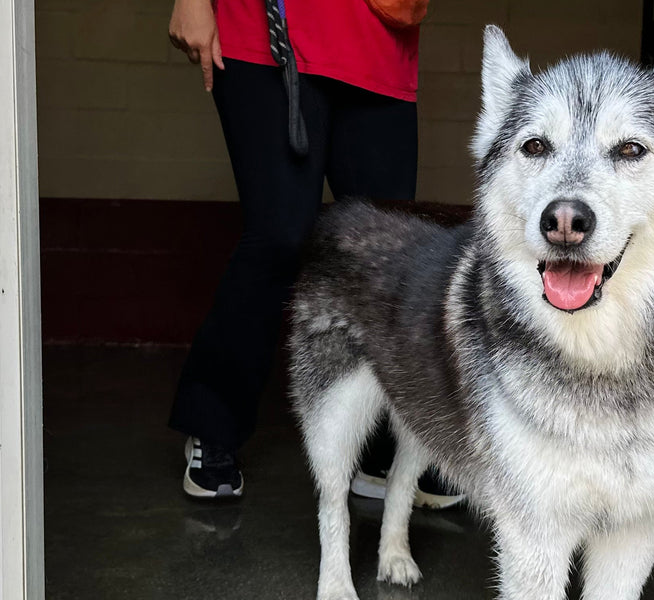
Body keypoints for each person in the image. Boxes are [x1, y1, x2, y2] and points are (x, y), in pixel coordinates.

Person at [166, 0, 463, 508]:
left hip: (376, 40)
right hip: (265, 33)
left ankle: (379, 452)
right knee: (280, 234)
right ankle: (212, 424)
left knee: (389, 256)